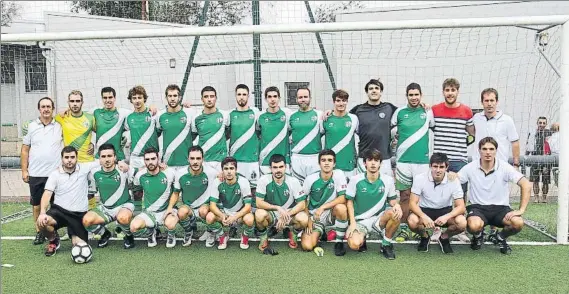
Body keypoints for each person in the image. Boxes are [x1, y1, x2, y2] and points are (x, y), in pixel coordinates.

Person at [37, 146, 123, 256]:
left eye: (72, 157)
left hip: (78, 215)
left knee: (78, 246)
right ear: (62, 159)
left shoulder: (84, 168)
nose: (69, 160)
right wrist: (43, 212)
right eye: (66, 157)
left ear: (77, 158)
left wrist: (120, 162)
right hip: (59, 211)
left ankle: (103, 233)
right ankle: (53, 240)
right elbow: (47, 194)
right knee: (42, 222)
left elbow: (104, 160)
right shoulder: (55, 174)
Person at [456, 137, 531, 255]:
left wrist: (521, 210)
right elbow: (455, 182)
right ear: (479, 150)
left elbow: (526, 184)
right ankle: (478, 236)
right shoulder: (470, 167)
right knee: (473, 225)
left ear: (496, 151)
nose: (488, 152)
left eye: (491, 149)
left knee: (518, 223)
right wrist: (450, 176)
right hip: (478, 208)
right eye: (484, 149)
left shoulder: (505, 167)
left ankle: (500, 237)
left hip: (500, 209)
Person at [390, 82, 434, 228]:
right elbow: (392, 132)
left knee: (421, 196)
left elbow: (433, 129)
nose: (414, 97)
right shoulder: (399, 112)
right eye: (411, 95)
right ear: (407, 96)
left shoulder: (428, 111)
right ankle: (403, 226)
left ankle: (420, 223)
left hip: (422, 161)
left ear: (421, 95)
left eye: (416, 94)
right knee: (405, 195)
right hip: (403, 161)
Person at [21, 97, 63, 245]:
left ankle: (52, 228)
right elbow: (25, 149)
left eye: (49, 107)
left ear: (53, 109)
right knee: (37, 205)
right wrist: (24, 170)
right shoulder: (31, 126)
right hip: (36, 174)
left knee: (55, 205)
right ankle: (39, 232)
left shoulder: (59, 126)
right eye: (43, 107)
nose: (46, 109)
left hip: (55, 173)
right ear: (39, 109)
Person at [345, 149, 402, 260]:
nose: (373, 163)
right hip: (360, 221)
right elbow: (349, 202)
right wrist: (352, 223)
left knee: (396, 213)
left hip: (378, 219)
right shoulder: (355, 180)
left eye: (376, 160)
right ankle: (363, 238)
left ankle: (386, 244)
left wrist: (397, 205)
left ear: (380, 163)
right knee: (354, 244)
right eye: (370, 160)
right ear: (365, 163)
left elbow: (392, 200)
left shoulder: (388, 180)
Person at [408, 153, 466, 254]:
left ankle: (444, 237)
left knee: (462, 222)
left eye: (441, 167)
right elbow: (412, 203)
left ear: (446, 167)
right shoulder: (420, 178)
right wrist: (423, 216)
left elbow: (461, 207)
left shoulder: (453, 180)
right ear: (430, 166)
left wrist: (446, 217)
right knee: (412, 220)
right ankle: (425, 237)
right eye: (435, 166)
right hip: (425, 210)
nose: (438, 170)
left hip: (445, 211)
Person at [82, 144, 135, 249]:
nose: (107, 159)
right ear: (99, 159)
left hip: (124, 205)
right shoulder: (94, 172)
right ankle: (104, 234)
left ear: (115, 157)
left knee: (123, 218)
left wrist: (128, 167)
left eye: (109, 156)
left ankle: (129, 236)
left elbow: (143, 172)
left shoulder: (123, 169)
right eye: (104, 156)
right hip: (106, 208)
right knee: (86, 221)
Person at [297, 150, 349, 256]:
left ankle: (339, 242)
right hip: (315, 216)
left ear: (334, 163)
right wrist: (307, 220)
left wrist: (323, 207)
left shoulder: (339, 174)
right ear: (319, 163)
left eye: (330, 160)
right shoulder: (310, 179)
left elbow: (343, 198)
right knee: (307, 246)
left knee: (341, 208)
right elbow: (303, 200)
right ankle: (322, 232)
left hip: (330, 213)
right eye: (323, 160)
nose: (326, 163)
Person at [431, 78, 474, 198]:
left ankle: (460, 216)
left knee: (460, 193)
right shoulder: (434, 110)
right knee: (439, 193)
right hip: (440, 160)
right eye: (447, 90)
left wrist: (461, 144)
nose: (450, 93)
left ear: (457, 92)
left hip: (459, 160)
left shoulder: (467, 111)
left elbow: (472, 134)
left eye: (453, 90)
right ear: (443, 92)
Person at [255, 154, 305, 255]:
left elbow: (302, 204)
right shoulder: (264, 180)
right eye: (275, 167)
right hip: (272, 214)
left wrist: (286, 216)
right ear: (270, 168)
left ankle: (293, 235)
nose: (278, 170)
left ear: (285, 167)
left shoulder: (293, 181)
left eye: (281, 167)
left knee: (303, 218)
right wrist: (277, 208)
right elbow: (258, 203)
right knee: (259, 214)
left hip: (289, 214)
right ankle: (264, 237)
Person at [170, 145, 219, 247]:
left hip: (205, 206)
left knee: (203, 211)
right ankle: (189, 231)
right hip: (189, 207)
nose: (195, 161)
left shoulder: (212, 172)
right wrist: (169, 208)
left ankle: (210, 231)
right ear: (188, 159)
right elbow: (175, 193)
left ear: (202, 159)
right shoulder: (180, 174)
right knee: (181, 212)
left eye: (198, 158)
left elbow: (224, 177)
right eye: (192, 158)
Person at [55, 90, 96, 210]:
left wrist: (93, 145)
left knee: (90, 194)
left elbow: (101, 134)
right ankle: (72, 222)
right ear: (68, 102)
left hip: (88, 162)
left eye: (77, 101)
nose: (75, 104)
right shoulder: (61, 117)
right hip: (70, 163)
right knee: (70, 193)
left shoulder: (90, 118)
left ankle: (91, 222)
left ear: (82, 102)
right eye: (72, 101)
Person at [130, 147, 177, 248]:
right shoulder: (140, 175)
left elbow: (177, 191)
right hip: (149, 212)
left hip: (166, 211)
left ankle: (171, 235)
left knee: (170, 224)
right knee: (133, 227)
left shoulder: (169, 172)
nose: (150, 162)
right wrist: (138, 211)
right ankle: (151, 233)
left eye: (153, 159)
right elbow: (137, 193)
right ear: (144, 161)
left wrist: (171, 207)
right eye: (147, 159)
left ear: (158, 159)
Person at [349, 79, 397, 177]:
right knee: (363, 188)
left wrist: (421, 106)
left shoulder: (389, 108)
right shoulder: (358, 109)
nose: (374, 90)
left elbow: (406, 112)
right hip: (364, 158)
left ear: (381, 92)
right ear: (367, 92)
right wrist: (329, 111)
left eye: (376, 88)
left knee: (384, 188)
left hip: (384, 158)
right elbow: (342, 116)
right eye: (371, 89)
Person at [207, 157, 255, 250]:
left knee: (249, 219)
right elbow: (212, 205)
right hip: (225, 213)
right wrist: (222, 216)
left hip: (239, 215)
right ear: (222, 170)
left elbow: (248, 207)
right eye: (226, 169)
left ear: (236, 170)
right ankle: (222, 236)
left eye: (231, 168)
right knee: (209, 217)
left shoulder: (243, 182)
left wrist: (234, 217)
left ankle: (244, 237)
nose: (229, 172)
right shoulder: (217, 182)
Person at [471, 88, 520, 167]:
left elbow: (515, 143)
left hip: (500, 166)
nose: (489, 104)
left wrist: (516, 165)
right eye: (486, 101)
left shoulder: (507, 120)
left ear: (497, 102)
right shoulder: (476, 118)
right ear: (482, 102)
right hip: (478, 166)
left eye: (492, 100)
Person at [156, 84, 195, 173]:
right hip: (167, 164)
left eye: (175, 95)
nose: (172, 98)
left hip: (186, 163)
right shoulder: (160, 115)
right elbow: (155, 136)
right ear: (166, 98)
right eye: (170, 96)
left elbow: (195, 134)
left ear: (180, 97)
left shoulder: (190, 113)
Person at [228, 84, 260, 190]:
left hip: (252, 160)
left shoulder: (256, 113)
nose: (241, 97)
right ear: (235, 96)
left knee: (253, 191)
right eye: (239, 94)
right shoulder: (229, 115)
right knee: (237, 190)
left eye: (244, 94)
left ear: (248, 96)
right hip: (236, 160)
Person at [322, 89, 359, 182]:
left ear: (347, 102)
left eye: (344, 100)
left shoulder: (353, 118)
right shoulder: (326, 119)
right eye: (338, 100)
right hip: (331, 165)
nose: (341, 103)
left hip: (349, 164)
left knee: (348, 194)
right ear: (334, 102)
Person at [192, 86, 229, 173]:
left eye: (212, 96)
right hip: (204, 161)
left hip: (221, 161)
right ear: (202, 99)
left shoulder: (225, 115)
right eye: (206, 97)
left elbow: (228, 133)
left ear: (216, 98)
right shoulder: (196, 118)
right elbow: (192, 137)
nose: (209, 99)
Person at [289, 87, 323, 182]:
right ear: (296, 99)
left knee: (314, 188)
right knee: (298, 189)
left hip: (315, 157)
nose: (303, 99)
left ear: (310, 98)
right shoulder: (291, 116)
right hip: (297, 158)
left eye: (305, 97)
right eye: (300, 97)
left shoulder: (319, 115)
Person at [257, 86, 293, 176]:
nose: (272, 99)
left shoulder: (287, 114)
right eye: (269, 97)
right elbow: (258, 134)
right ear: (265, 99)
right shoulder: (260, 116)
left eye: (275, 96)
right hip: (265, 160)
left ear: (279, 98)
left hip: (283, 161)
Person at [124, 85, 159, 171]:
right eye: (134, 98)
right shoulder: (128, 118)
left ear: (144, 99)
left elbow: (160, 130)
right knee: (135, 183)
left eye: (140, 97)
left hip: (151, 157)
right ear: (131, 100)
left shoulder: (153, 114)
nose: (137, 101)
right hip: (135, 158)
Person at [525, 116, 553, 203]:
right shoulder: (533, 133)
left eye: (544, 123)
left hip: (546, 160)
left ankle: (544, 198)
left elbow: (553, 145)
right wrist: (526, 157)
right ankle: (536, 198)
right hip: (535, 159)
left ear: (546, 124)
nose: (542, 124)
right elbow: (528, 145)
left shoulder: (549, 133)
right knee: (535, 180)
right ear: (537, 123)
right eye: (540, 123)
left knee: (545, 180)